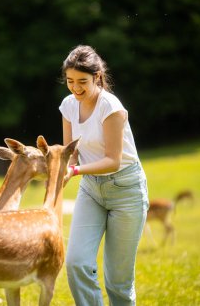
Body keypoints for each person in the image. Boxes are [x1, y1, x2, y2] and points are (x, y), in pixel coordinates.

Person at [59, 45, 149, 306]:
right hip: (91, 190)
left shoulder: (111, 107)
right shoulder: (68, 106)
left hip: (126, 190)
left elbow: (112, 160)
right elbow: (71, 153)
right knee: (76, 263)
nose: (76, 88)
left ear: (97, 76)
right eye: (70, 81)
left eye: (82, 82)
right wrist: (62, 167)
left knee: (118, 282)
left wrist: (74, 170)